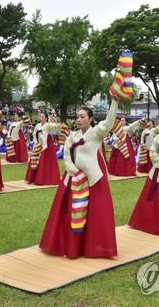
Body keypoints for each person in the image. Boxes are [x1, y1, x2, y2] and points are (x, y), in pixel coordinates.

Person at [39, 98, 119, 258]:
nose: (79, 119)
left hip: (94, 180)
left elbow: (109, 122)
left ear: (90, 119)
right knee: (67, 212)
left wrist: (115, 101)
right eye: (77, 117)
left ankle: (94, 247)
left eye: (82, 117)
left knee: (97, 214)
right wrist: (75, 172)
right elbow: (67, 156)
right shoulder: (72, 136)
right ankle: (68, 245)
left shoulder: (97, 133)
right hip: (72, 179)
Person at [25, 110, 61, 185]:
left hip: (46, 145)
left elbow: (55, 127)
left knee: (43, 160)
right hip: (38, 144)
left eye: (42, 116)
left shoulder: (48, 125)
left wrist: (56, 121)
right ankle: (33, 178)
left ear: (45, 118)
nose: (40, 118)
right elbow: (34, 134)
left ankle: (42, 179)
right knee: (34, 158)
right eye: (40, 116)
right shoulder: (37, 125)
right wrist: (35, 143)